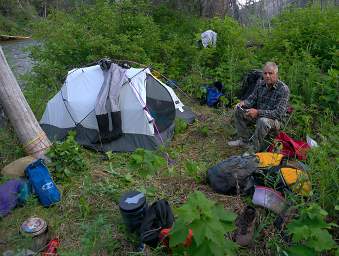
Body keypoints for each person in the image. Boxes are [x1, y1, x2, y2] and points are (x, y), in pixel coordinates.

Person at [228, 62, 290, 151]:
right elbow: (251, 99)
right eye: (265, 73)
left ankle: (253, 150)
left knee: (263, 121)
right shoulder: (260, 84)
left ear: (276, 74)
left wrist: (257, 112)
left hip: (276, 121)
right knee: (238, 110)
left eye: (270, 73)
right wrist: (243, 103)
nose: (267, 76)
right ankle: (244, 141)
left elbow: (278, 114)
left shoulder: (283, 89)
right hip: (259, 115)